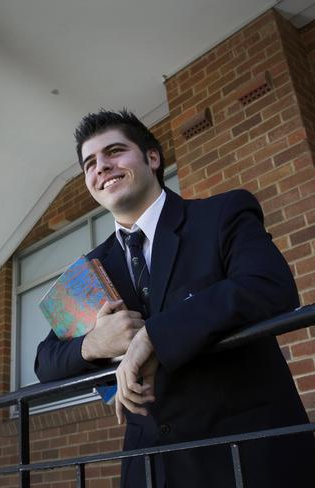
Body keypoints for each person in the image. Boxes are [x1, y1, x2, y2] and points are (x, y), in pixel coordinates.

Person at [34, 110, 315, 488]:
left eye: (114, 151)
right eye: (90, 163)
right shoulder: (90, 269)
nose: (101, 166)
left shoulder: (222, 214)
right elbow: (45, 361)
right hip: (151, 470)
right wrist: (93, 344)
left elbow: (269, 286)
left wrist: (153, 336)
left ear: (152, 157)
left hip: (247, 458)